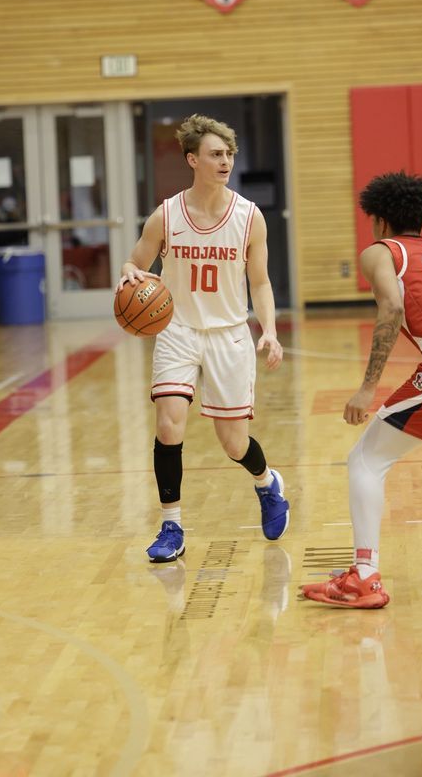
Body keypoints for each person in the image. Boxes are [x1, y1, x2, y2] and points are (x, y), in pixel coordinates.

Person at [117, 114, 289, 563]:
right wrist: (130, 279)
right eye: (216, 154)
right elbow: (134, 263)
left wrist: (268, 331)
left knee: (234, 443)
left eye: (229, 154)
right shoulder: (167, 214)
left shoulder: (250, 217)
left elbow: (262, 283)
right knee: (169, 423)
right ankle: (171, 524)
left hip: (229, 333)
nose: (225, 161)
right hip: (177, 331)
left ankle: (268, 484)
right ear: (192, 159)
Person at [301, 171, 422, 609]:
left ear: (381, 220)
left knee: (367, 459)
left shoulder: (380, 251)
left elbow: (391, 306)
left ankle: (364, 577)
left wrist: (368, 386)